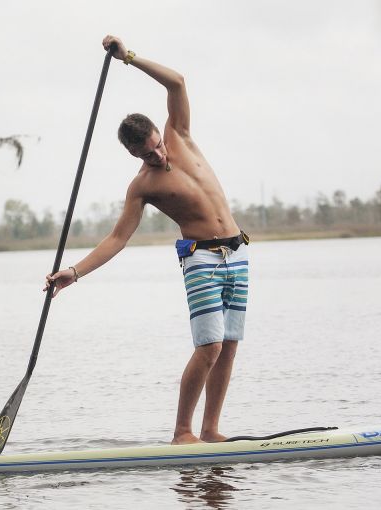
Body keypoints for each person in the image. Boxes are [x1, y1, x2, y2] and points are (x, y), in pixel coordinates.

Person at [45, 35, 250, 445]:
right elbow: (118, 238)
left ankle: (210, 431)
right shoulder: (142, 186)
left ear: (160, 133)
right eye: (147, 154)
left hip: (237, 253)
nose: (158, 156)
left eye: (156, 146)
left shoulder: (181, 135)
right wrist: (73, 272)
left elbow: (176, 82)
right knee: (208, 347)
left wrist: (129, 57)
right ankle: (182, 433)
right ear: (134, 155)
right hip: (201, 260)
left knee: (228, 346)